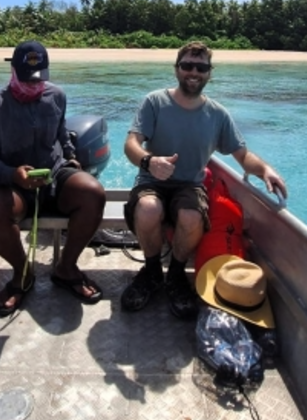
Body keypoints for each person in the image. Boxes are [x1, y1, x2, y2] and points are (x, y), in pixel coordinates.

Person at [122, 41, 288, 319]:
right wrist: (149, 161)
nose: (193, 72)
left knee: (191, 215)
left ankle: (175, 276)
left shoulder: (218, 114)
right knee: (149, 208)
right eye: (187, 65)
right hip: (151, 180)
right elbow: (131, 143)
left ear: (210, 73)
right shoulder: (155, 102)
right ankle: (151, 272)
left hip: (190, 185)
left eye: (201, 67)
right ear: (177, 69)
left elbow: (243, 156)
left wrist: (266, 170)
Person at [0, 41, 106, 317]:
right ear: (12, 70)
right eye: (26, 79)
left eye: (39, 79)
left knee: (93, 192)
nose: (33, 86)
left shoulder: (57, 95)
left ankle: (66, 268)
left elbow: (61, 132)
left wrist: (70, 155)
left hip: (54, 174)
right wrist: (11, 175)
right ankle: (22, 274)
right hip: (14, 183)